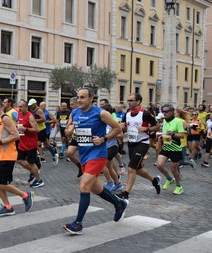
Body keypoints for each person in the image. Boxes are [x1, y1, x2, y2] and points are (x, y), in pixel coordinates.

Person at [62, 88, 128, 235]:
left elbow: (118, 129)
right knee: (96, 188)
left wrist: (104, 139)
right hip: (84, 154)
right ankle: (119, 203)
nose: (79, 100)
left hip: (98, 154)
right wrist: (68, 130)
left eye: (83, 97)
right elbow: (68, 130)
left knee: (84, 185)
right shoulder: (75, 112)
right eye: (78, 97)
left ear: (91, 98)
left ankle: (78, 224)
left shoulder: (101, 113)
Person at [0, 97, 33, 216]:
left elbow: (16, 135)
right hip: (0, 155)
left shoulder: (5, 118)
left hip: (8, 156)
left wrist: (0, 143)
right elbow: (0, 137)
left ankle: (25, 195)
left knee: (2, 183)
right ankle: (8, 206)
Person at [115, 93, 161, 199]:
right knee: (138, 169)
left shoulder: (145, 113)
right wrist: (122, 127)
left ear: (138, 101)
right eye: (128, 100)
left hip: (142, 143)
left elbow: (157, 126)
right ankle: (154, 180)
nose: (129, 102)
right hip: (131, 144)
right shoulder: (127, 113)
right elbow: (125, 127)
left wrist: (147, 129)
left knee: (131, 168)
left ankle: (125, 194)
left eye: (131, 100)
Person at [157, 104, 186, 195]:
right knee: (159, 165)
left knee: (173, 169)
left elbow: (182, 135)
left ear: (172, 112)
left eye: (166, 111)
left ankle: (179, 186)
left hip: (175, 148)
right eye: (163, 111)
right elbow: (165, 133)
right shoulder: (164, 121)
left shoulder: (178, 121)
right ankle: (169, 179)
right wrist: (161, 136)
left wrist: (172, 134)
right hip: (166, 147)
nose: (164, 113)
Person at [16, 99, 43, 188]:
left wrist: (26, 129)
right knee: (19, 160)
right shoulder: (19, 115)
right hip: (22, 143)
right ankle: (32, 171)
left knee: (31, 162)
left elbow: (37, 130)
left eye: (21, 107)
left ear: (26, 107)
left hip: (30, 144)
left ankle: (39, 180)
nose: (19, 108)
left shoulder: (30, 116)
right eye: (18, 106)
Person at [65, 97, 83, 178]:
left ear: (77, 103)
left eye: (72, 104)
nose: (70, 106)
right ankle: (80, 166)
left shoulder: (84, 110)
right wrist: (68, 129)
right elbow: (70, 122)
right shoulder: (73, 112)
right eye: (70, 104)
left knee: (84, 156)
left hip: (85, 136)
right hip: (76, 136)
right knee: (69, 153)